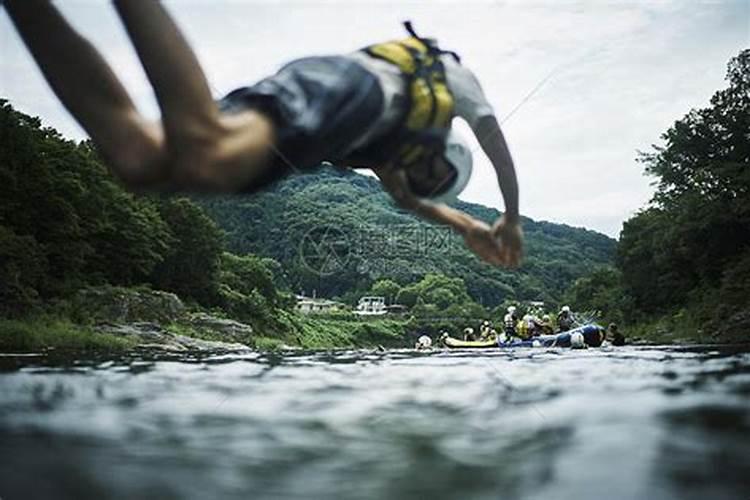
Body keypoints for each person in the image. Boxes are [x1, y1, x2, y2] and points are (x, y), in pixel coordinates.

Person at [6, 3, 523, 268]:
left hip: (321, 123)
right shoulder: (449, 82)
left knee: (139, 160)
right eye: (434, 172)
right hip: (347, 86)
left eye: (429, 182)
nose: (420, 178)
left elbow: (409, 202)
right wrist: (511, 218)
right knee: (208, 155)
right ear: (445, 145)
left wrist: (466, 227)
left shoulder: (392, 156)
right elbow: (496, 142)